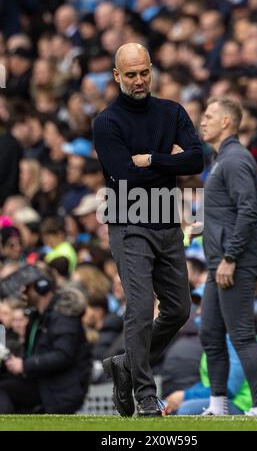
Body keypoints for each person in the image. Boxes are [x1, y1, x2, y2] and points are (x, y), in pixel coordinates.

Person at [93, 42, 204, 417]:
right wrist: (171, 163)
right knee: (140, 309)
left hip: (166, 220)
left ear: (151, 69)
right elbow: (124, 176)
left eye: (144, 72)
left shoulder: (172, 111)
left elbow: (197, 158)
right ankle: (144, 393)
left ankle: (125, 365)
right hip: (128, 222)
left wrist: (152, 160)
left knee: (179, 309)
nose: (139, 81)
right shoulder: (106, 122)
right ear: (116, 76)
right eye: (130, 75)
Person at [199, 96, 257, 416]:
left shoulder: (234, 159)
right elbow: (233, 212)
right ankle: (218, 405)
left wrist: (230, 256)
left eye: (209, 115)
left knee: (241, 335)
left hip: (234, 263)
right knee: (211, 333)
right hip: (219, 263)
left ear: (226, 122)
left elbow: (249, 211)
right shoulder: (219, 160)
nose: (202, 120)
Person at [0, 265, 91, 414]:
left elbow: (62, 355)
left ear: (41, 287)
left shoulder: (63, 314)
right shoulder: (38, 317)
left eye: (27, 288)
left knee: (4, 390)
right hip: (44, 384)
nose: (23, 293)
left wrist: (24, 365)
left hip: (59, 391)